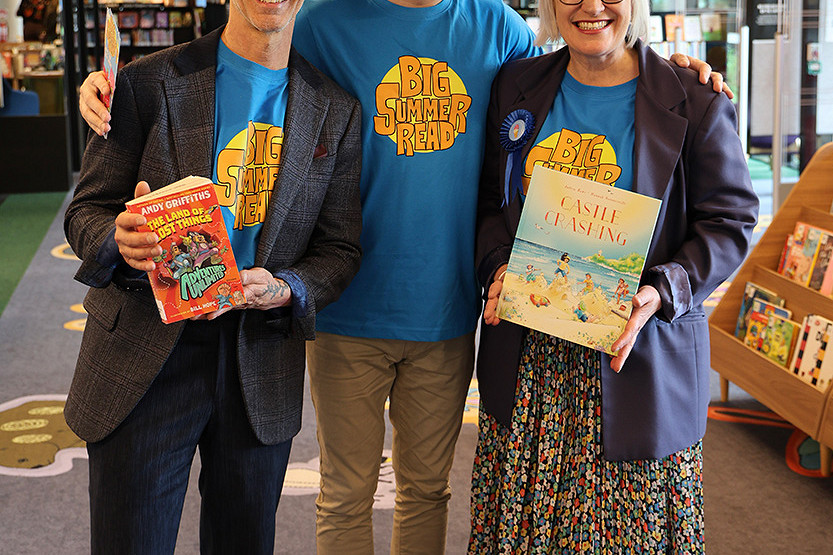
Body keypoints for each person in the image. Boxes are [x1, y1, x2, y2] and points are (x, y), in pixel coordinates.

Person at [76, 2, 731, 552]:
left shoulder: (501, 30)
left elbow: (580, 71)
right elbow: (245, 47)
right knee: (343, 492)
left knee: (424, 491)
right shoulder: (321, 20)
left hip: (446, 308)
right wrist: (108, 86)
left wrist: (677, 71)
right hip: (343, 307)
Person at [62, 0, 363, 551]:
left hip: (259, 354)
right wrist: (117, 239)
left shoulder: (335, 109)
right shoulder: (144, 83)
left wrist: (285, 288)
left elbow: (339, 250)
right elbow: (86, 210)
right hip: (147, 349)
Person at [471, 0, 758, 550]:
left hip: (638, 360)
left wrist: (663, 291)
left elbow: (730, 221)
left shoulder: (694, 96)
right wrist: (499, 265)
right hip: (535, 369)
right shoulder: (516, 86)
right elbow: (489, 202)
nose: (591, 6)